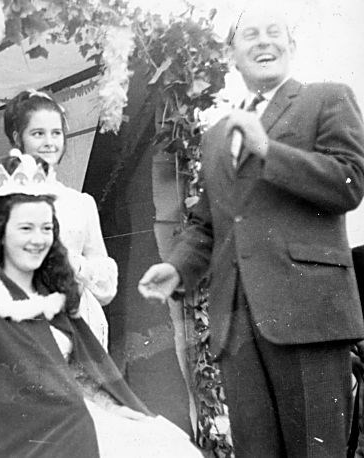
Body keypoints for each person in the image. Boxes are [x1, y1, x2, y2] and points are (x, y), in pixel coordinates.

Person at [138, 4, 364, 457]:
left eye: (274, 32)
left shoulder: (327, 97)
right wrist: (178, 268)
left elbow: (350, 181)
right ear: (233, 56)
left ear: (292, 45)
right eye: (250, 35)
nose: (264, 41)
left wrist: (268, 150)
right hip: (236, 323)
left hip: (307, 316)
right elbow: (209, 221)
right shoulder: (217, 134)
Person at [0, 153, 200, 457]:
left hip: (69, 417)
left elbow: (83, 372)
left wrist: (111, 406)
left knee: (166, 442)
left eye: (46, 228)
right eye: (25, 228)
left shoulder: (49, 290)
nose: (38, 240)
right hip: (19, 435)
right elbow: (6, 388)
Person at [1, 89, 116, 349]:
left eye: (56, 133)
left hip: (81, 322)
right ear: (19, 138)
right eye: (38, 133)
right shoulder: (2, 196)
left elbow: (106, 288)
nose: (49, 142)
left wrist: (78, 266)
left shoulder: (80, 203)